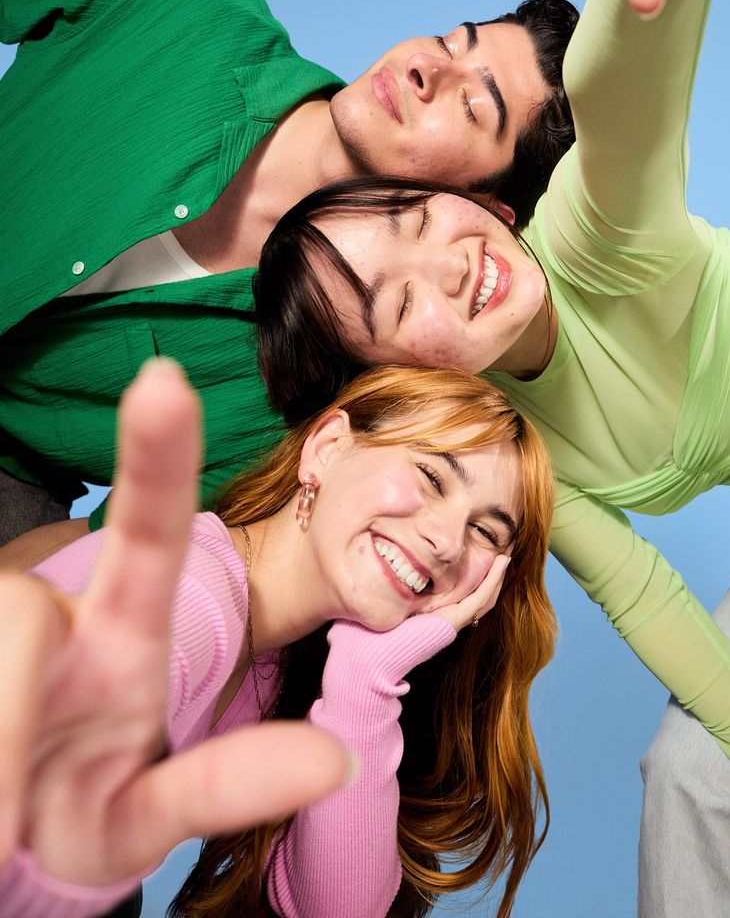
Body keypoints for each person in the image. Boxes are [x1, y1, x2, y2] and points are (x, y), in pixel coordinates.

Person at [255, 0, 730, 918]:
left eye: (418, 215)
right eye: (397, 302)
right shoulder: (516, 445)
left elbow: (625, 89)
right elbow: (650, 604)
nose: (445, 264)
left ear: (489, 202)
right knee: (691, 779)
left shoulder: (599, 235)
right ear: (414, 378)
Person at [0, 0, 689, 546]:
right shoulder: (192, 1)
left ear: (483, 208)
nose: (429, 68)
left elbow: (107, 556)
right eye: (453, 41)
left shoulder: (313, 395)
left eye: (475, 108)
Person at [0, 357, 556, 918]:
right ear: (327, 447)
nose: (447, 542)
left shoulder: (278, 668)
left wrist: (365, 679)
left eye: (485, 531)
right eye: (432, 477)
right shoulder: (185, 595)